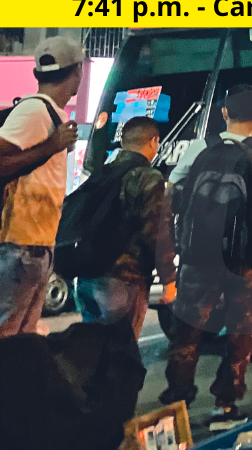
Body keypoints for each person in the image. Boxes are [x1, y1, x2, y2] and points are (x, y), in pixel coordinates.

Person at [161, 84, 252, 431]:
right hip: (245, 256)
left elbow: (174, 190)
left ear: (224, 113)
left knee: (187, 328)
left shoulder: (200, 147)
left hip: (198, 252)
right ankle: (225, 404)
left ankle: (177, 402)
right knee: (243, 327)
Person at [0, 36, 81, 338]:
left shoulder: (51, 114)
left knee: (23, 337)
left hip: (34, 246)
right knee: (9, 335)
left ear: (37, 74)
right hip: (18, 246)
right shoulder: (33, 111)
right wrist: (50, 146)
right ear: (77, 73)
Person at [73, 117, 176, 338]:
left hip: (88, 276)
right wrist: (169, 279)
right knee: (120, 356)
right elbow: (156, 232)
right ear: (154, 142)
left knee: (91, 350)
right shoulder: (148, 177)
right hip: (124, 278)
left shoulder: (101, 173)